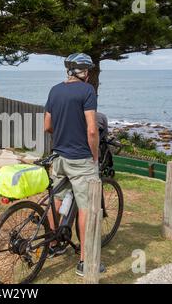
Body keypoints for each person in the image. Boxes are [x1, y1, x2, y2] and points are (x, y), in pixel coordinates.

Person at [44, 53, 106, 277]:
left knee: (57, 199)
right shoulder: (87, 91)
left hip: (59, 156)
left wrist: (63, 135)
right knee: (87, 208)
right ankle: (85, 262)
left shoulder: (55, 90)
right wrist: (94, 155)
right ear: (85, 72)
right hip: (81, 159)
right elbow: (92, 129)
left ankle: (51, 245)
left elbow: (47, 125)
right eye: (88, 71)